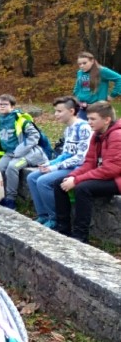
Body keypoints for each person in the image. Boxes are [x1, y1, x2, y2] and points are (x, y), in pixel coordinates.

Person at [54, 101, 121, 244]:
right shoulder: (96, 135)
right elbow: (89, 162)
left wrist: (77, 180)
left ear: (107, 120)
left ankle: (80, 235)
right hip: (105, 175)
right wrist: (73, 176)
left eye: (93, 119)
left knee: (83, 188)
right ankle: (63, 229)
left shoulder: (117, 135)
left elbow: (112, 169)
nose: (88, 122)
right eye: (88, 118)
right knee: (60, 183)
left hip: (117, 179)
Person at [26, 97, 91, 228]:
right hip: (67, 165)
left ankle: (55, 218)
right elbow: (65, 154)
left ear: (71, 111)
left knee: (43, 181)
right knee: (31, 177)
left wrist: (54, 168)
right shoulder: (68, 129)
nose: (56, 114)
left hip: (79, 168)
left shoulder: (84, 128)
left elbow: (81, 157)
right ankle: (43, 215)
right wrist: (50, 163)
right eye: (55, 111)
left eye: (59, 111)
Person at [0, 94, 49, 209]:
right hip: (10, 153)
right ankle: (0, 196)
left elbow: (35, 135)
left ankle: (11, 200)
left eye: (5, 104)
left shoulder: (21, 120)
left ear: (12, 107)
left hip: (28, 153)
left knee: (12, 167)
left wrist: (20, 150)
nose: (2, 106)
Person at [73, 52, 121, 119]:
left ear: (92, 61)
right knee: (82, 125)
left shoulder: (102, 71)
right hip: (82, 106)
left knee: (95, 125)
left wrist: (113, 95)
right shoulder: (80, 72)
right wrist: (76, 95)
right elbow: (78, 86)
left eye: (84, 63)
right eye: (79, 64)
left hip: (97, 107)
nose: (82, 66)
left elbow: (119, 79)